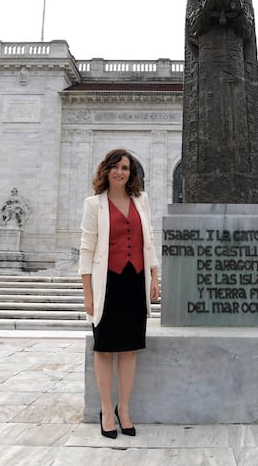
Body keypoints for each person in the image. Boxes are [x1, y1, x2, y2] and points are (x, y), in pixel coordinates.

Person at [79, 148, 159, 439]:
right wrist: (87, 292)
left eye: (125, 167)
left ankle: (124, 408)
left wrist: (154, 275)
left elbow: (148, 239)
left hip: (134, 282)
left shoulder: (141, 200)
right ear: (106, 170)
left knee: (128, 348)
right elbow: (87, 249)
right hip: (106, 283)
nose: (120, 172)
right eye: (115, 167)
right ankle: (105, 409)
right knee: (104, 348)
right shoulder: (94, 204)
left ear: (130, 172)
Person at [181, 0, 258, 203]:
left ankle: (242, 184)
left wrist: (235, 7)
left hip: (235, 66)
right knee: (206, 123)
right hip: (205, 68)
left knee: (236, 125)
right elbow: (191, 30)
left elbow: (249, 31)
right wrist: (209, 5)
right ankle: (202, 184)